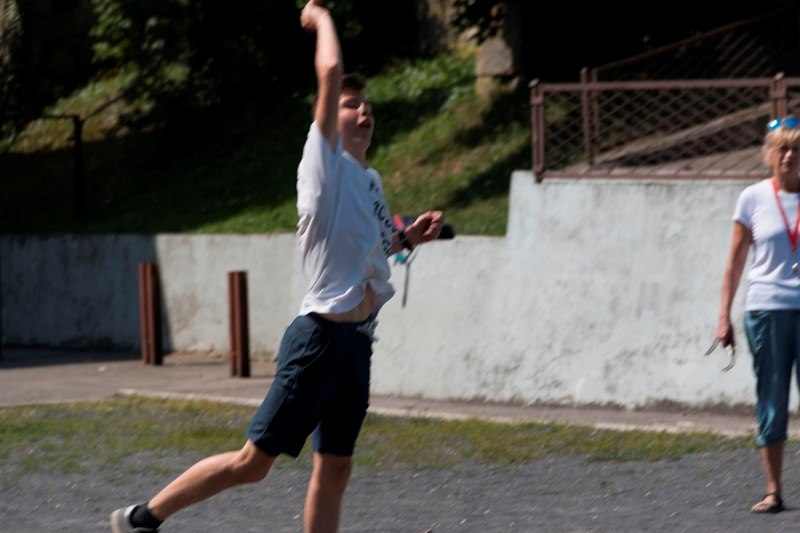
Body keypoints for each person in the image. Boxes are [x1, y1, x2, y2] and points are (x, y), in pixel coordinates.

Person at [110, 1, 445, 531]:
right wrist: (321, 17)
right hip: (319, 342)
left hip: (356, 346)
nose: (363, 111)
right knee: (253, 464)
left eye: (367, 106)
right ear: (328, 118)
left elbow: (370, 252)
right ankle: (143, 517)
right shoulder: (323, 164)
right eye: (351, 105)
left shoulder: (369, 180)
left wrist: (408, 238)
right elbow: (329, 71)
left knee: (335, 467)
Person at [715, 115, 800, 514]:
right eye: (781, 149)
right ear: (768, 154)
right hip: (767, 310)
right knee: (771, 399)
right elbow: (734, 263)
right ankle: (773, 490)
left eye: (795, 149)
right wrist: (723, 316)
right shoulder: (752, 198)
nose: (788, 156)